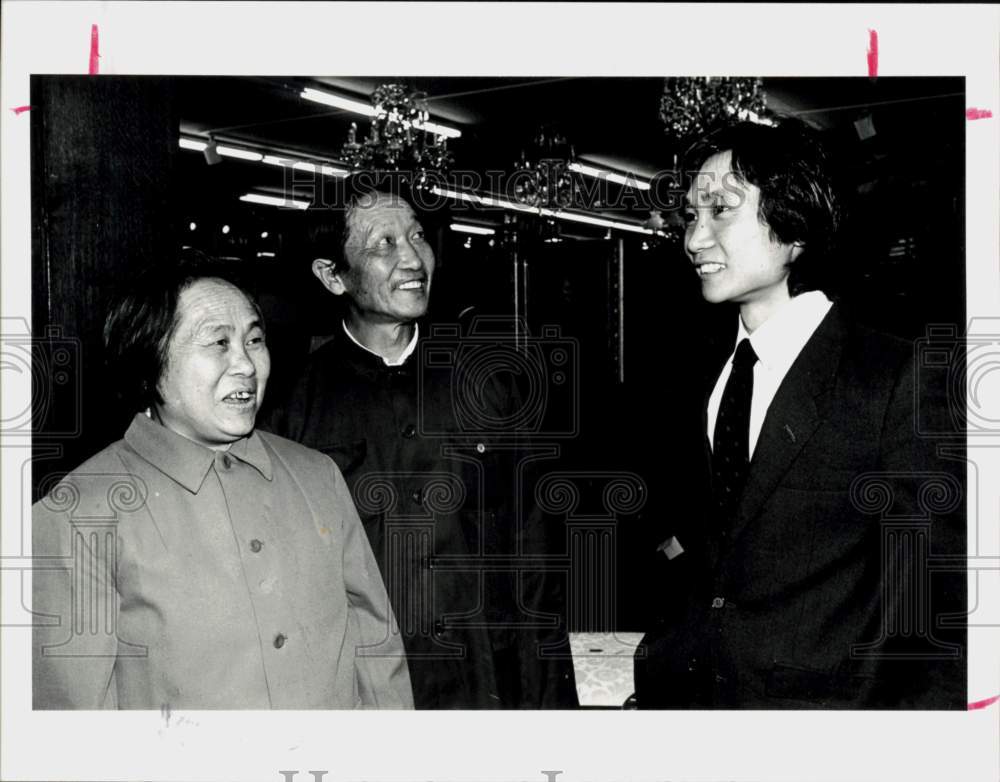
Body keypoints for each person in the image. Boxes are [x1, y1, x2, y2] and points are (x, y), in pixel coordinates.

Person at [634, 119, 966, 708]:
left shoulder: (894, 377)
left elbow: (935, 607)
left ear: (794, 227)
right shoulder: (701, 374)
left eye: (721, 211)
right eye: (691, 215)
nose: (693, 239)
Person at [32, 255, 413, 709]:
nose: (246, 365)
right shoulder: (78, 513)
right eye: (218, 343)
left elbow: (377, 655)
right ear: (149, 360)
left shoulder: (317, 476)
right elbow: (73, 726)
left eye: (254, 340)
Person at [266, 181, 578, 709]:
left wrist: (547, 706)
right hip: (361, 695)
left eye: (416, 235)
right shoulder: (291, 410)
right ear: (332, 275)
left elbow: (535, 554)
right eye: (383, 244)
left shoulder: (490, 385)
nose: (412, 258)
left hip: (485, 684)